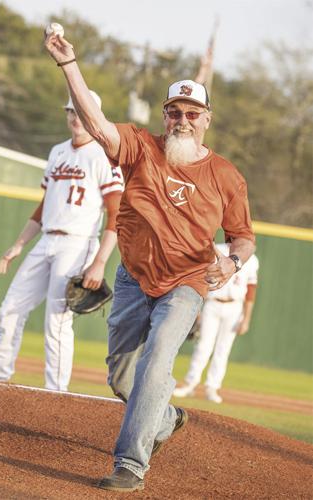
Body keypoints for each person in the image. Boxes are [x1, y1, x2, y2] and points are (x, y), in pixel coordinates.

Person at [44, 32, 256, 492]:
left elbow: (242, 239)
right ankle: (165, 419)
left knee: (156, 362)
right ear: (165, 116)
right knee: (121, 375)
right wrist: (69, 65)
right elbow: (97, 124)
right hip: (132, 280)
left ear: (206, 120)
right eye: (175, 112)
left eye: (192, 113)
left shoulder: (225, 176)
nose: (183, 119)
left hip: (186, 284)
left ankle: (130, 465)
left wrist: (233, 264)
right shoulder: (141, 146)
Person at [0, 91, 124, 391]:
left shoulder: (104, 155)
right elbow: (44, 205)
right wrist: (18, 244)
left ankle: (56, 394)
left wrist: (99, 263)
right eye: (70, 111)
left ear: (92, 115)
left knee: (57, 320)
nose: (75, 117)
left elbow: (116, 214)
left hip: (77, 243)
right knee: (10, 308)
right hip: (46, 239)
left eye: (80, 111)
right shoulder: (57, 152)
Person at [174, 243, 259, 403]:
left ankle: (212, 387)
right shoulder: (218, 250)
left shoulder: (251, 258)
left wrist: (246, 319)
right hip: (212, 303)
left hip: (235, 306)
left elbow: (251, 290)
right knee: (203, 346)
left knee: (223, 349)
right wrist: (197, 309)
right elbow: (202, 278)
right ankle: (190, 383)